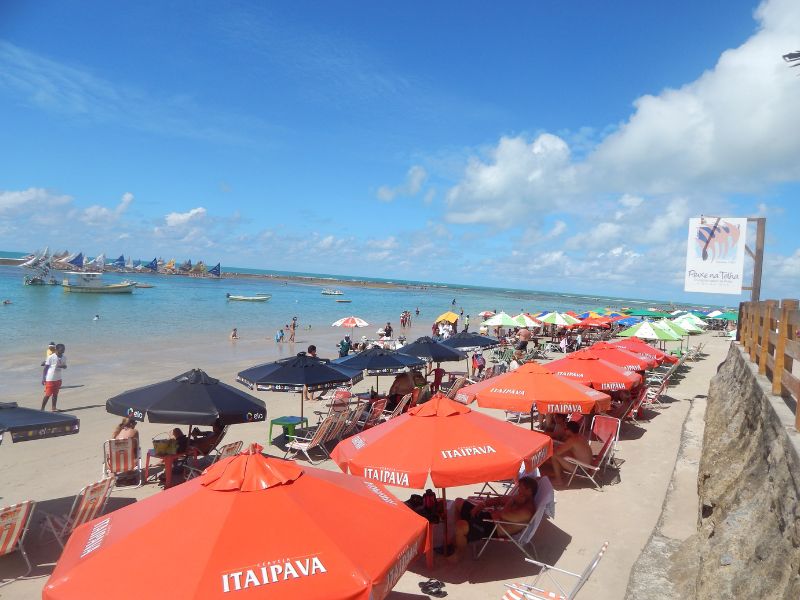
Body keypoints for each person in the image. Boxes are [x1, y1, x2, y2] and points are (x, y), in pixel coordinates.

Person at [450, 476, 539, 561]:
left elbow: (504, 515)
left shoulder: (526, 511)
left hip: (491, 528)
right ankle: (460, 537)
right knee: (458, 501)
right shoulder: (520, 499)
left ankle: (460, 552)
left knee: (460, 526)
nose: (518, 490)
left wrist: (512, 500)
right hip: (486, 516)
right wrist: (482, 505)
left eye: (520, 488)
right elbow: (499, 500)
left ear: (529, 491)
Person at [41, 343, 67, 411]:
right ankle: (42, 409)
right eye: (62, 350)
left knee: (55, 394)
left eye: (64, 349)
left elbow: (65, 366)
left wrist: (64, 366)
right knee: (47, 395)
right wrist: (43, 378)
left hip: (58, 378)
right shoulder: (51, 357)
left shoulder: (64, 357)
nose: (63, 351)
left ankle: (53, 408)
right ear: (57, 350)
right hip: (50, 379)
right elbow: (45, 368)